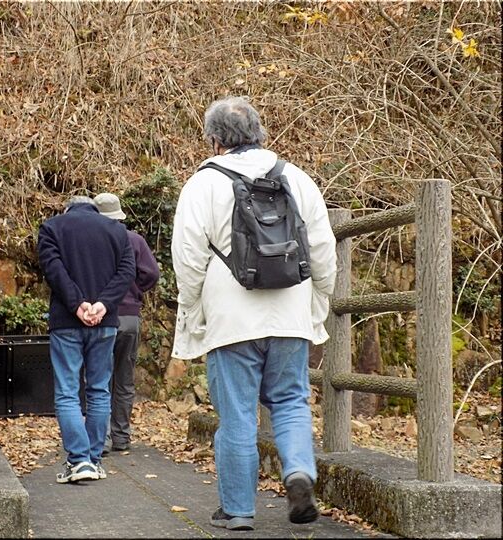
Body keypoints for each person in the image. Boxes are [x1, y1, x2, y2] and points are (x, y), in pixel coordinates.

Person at [170, 96, 337, 530]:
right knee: (291, 401)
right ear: (260, 133)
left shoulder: (203, 184)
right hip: (290, 311)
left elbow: (188, 258)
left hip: (231, 318)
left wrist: (193, 310)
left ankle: (238, 510)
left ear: (214, 139)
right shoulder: (296, 177)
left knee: (238, 415)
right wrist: (318, 301)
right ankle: (298, 472)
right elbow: (322, 249)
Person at [37, 195, 135, 484]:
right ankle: (93, 460)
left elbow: (54, 270)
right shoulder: (116, 230)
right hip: (104, 322)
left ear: (67, 208)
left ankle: (78, 461)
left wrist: (77, 304)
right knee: (99, 390)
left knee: (68, 392)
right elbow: (126, 272)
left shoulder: (52, 227)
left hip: (67, 321)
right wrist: (102, 304)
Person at [93, 192, 160, 454]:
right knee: (124, 379)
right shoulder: (134, 240)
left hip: (99, 316)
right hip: (129, 316)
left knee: (98, 378)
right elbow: (151, 273)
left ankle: (101, 439)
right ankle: (121, 437)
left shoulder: (92, 241)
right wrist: (135, 291)